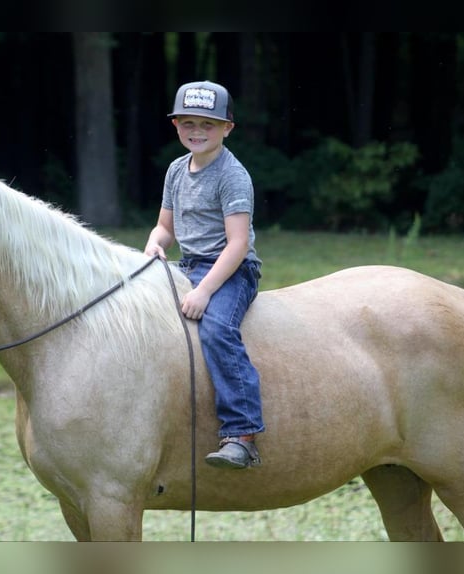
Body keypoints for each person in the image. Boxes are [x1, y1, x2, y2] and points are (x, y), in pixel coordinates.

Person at [144, 80, 264, 469]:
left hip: (231, 270)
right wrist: (155, 244)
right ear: (176, 124)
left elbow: (238, 244)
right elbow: (166, 227)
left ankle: (241, 433)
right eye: (188, 123)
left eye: (208, 124)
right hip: (189, 264)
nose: (197, 131)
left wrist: (205, 292)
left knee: (215, 329)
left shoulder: (232, 176)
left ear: (227, 128)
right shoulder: (177, 170)